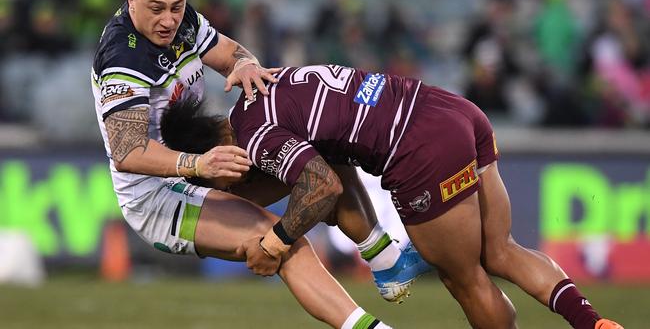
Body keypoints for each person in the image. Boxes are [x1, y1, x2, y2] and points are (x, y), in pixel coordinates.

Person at [161, 64, 624, 329]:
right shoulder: (259, 90)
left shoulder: (256, 135)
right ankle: (593, 322)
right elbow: (322, 162)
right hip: (450, 109)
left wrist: (276, 242)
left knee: (464, 279)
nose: (224, 184)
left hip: (419, 147)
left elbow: (323, 187)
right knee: (500, 250)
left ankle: (388, 258)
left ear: (214, 149)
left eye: (214, 176)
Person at [90, 0, 405, 328]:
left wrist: (244, 65)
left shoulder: (184, 22)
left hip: (208, 164)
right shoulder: (122, 58)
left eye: (176, 7)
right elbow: (128, 152)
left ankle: (385, 261)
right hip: (158, 197)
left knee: (324, 156)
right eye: (156, 9)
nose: (168, 20)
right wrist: (197, 165)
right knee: (281, 241)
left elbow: (232, 54)